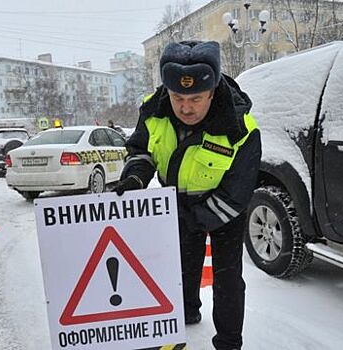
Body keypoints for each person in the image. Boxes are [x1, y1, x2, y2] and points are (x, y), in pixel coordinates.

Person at [112, 41, 261, 350]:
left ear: (213, 90)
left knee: (228, 280)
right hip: (176, 202)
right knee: (180, 267)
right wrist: (135, 178)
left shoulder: (241, 128)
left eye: (196, 98)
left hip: (224, 210)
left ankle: (229, 342)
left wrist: (195, 219)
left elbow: (237, 192)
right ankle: (186, 313)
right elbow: (142, 149)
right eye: (178, 97)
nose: (186, 108)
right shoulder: (153, 110)